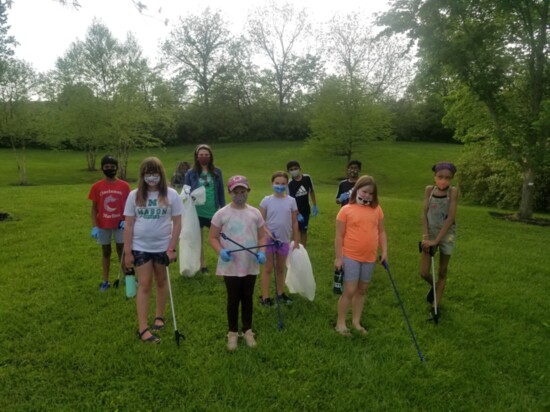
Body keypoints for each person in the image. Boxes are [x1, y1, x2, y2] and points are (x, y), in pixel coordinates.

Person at [123, 157, 183, 344]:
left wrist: (172, 248)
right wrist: (128, 251)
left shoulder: (171, 194)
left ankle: (159, 316)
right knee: (145, 284)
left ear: (161, 174)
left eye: (155, 173)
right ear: (142, 175)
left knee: (161, 281)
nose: (151, 177)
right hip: (140, 246)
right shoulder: (134, 195)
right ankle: (142, 328)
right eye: (148, 173)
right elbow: (129, 225)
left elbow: (178, 222)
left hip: (163, 246)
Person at [209, 175, 266, 351]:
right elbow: (212, 237)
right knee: (233, 299)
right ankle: (232, 332)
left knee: (247, 297)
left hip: (250, 263)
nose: (240, 194)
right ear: (229, 192)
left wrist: (262, 252)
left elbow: (262, 236)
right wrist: (221, 251)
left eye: (243, 191)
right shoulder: (222, 214)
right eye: (236, 191)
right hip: (231, 265)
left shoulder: (255, 213)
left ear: (248, 191)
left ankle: (247, 330)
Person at [334, 175, 387, 336]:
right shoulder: (345, 210)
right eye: (364, 191)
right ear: (356, 190)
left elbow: (381, 231)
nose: (367, 196)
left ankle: (356, 321)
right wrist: (339, 257)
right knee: (350, 290)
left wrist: (384, 251)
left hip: (369, 257)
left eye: (371, 194)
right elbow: (339, 236)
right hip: (350, 255)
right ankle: (340, 323)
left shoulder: (376, 210)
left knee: (362, 290)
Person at [419, 162, 458, 314]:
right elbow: (424, 214)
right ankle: (436, 287)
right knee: (423, 272)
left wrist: (437, 241)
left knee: (442, 271)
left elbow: (450, 218)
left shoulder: (453, 192)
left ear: (451, 179)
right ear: (435, 177)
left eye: (447, 178)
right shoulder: (429, 190)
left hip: (447, 234)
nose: (443, 180)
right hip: (430, 234)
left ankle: (436, 306)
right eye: (440, 177)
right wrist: (427, 237)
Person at [88, 154, 131, 291]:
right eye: (106, 167)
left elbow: (129, 207)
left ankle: (126, 277)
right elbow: (94, 208)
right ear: (102, 169)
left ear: (117, 168)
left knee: (122, 251)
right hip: (103, 225)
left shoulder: (124, 186)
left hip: (120, 224)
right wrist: (95, 226)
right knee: (106, 252)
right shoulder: (97, 186)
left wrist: (127, 221)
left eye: (112, 167)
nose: (110, 169)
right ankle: (105, 281)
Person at [259, 171, 300, 307]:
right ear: (272, 183)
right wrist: (267, 232)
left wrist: (296, 240)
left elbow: (294, 222)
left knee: (281, 268)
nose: (280, 186)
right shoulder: (266, 201)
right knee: (268, 268)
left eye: (283, 184)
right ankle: (265, 297)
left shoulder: (291, 201)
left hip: (284, 240)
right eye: (277, 183)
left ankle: (280, 293)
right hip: (269, 240)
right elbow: (260, 222)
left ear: (286, 184)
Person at [184, 144, 226, 273]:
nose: (203, 157)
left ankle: (224, 260)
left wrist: (223, 208)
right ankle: (203, 265)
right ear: (196, 157)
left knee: (219, 237)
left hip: (213, 210)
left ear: (210, 156)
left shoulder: (217, 172)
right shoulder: (190, 173)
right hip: (197, 211)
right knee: (199, 239)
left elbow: (220, 191)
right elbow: (186, 190)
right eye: (201, 155)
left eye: (206, 155)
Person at [286, 160, 318, 247]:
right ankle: (293, 248)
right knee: (295, 230)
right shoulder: (289, 183)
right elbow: (290, 199)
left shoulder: (307, 178)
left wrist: (315, 205)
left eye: (295, 168)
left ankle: (303, 248)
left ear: (300, 168)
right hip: (295, 211)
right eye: (291, 169)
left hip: (305, 209)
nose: (294, 171)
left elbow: (311, 191)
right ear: (288, 172)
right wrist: (297, 213)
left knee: (304, 230)